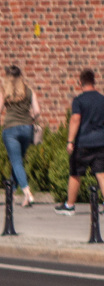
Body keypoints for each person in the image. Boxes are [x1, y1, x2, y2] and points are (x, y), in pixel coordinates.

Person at [56, 69, 104, 216]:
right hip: (101, 142)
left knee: (75, 174)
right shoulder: (102, 99)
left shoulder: (79, 100)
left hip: (83, 143)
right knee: (101, 174)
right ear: (94, 81)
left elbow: (75, 119)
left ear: (80, 82)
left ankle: (70, 205)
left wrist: (70, 141)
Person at [0, 65, 41, 207]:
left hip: (10, 129)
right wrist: (31, 118)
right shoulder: (29, 91)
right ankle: (11, 193)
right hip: (27, 128)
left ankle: (27, 192)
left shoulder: (4, 92)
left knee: (16, 162)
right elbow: (37, 111)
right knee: (18, 161)